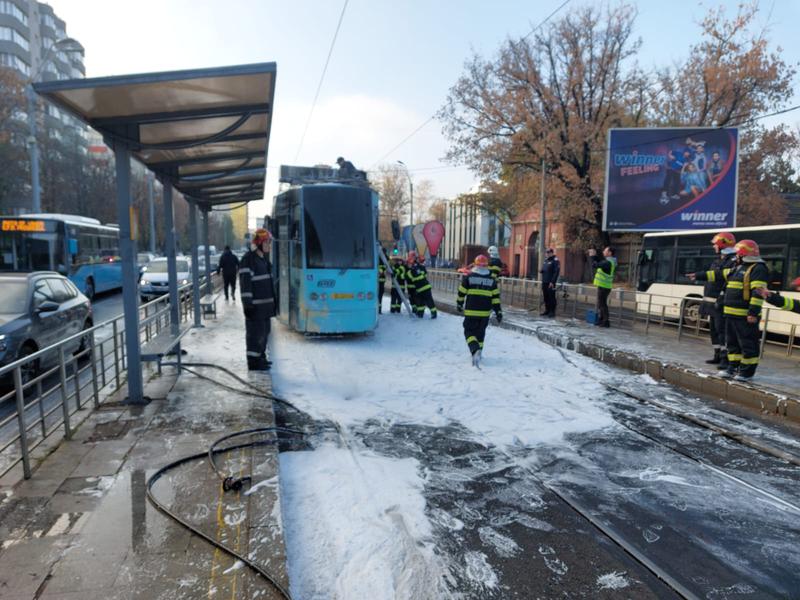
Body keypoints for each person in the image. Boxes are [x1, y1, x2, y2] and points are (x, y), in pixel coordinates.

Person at [689, 240, 769, 381]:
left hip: (745, 315)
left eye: (737, 254)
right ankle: (732, 368)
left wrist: (752, 313)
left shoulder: (758, 268)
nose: (735, 256)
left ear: (743, 255)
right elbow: (719, 274)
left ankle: (746, 373)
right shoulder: (738, 267)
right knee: (732, 344)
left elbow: (757, 293)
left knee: (747, 344)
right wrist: (699, 275)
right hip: (731, 314)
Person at [239, 229, 277, 371]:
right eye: (267, 242)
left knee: (264, 333)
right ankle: (253, 362)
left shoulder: (263, 260)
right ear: (259, 243)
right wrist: (247, 305)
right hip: (255, 308)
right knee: (255, 335)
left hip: (265, 309)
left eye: (269, 242)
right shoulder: (249, 260)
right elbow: (245, 284)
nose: (269, 245)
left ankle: (260, 357)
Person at [457, 254, 502, 367]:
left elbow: (462, 292)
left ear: (475, 264)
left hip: (471, 312)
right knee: (480, 333)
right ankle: (479, 353)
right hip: (485, 313)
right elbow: (495, 298)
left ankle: (474, 349)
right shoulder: (492, 280)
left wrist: (459, 304)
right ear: (486, 265)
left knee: (468, 331)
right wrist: (498, 312)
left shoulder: (469, 277)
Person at [699, 232, 737, 367]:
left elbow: (724, 280)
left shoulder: (732, 261)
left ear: (723, 245)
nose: (714, 246)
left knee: (722, 332)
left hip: (721, 303)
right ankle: (717, 355)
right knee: (714, 331)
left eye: (715, 244)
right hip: (712, 304)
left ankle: (725, 359)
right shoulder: (719, 259)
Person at [589, 247, 616, 328]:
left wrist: (592, 256)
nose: (603, 251)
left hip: (604, 286)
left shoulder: (608, 262)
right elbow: (600, 262)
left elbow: (595, 265)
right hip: (604, 286)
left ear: (610, 253)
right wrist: (595, 256)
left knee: (602, 304)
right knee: (601, 304)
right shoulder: (609, 261)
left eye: (605, 250)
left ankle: (605, 321)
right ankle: (601, 320)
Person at [406, 253, 437, 318]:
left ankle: (433, 313)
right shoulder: (417, 268)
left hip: (423, 288)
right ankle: (421, 314)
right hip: (421, 289)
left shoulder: (411, 271)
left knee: (428, 301)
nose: (409, 265)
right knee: (421, 303)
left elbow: (409, 277)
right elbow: (422, 274)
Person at [540, 248, 560, 317]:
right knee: (546, 297)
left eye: (548, 253)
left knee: (551, 297)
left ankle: (552, 312)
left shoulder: (555, 260)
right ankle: (547, 310)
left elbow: (556, 272)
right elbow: (545, 268)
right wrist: (542, 271)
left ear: (552, 253)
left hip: (550, 282)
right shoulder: (546, 260)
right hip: (544, 281)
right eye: (546, 253)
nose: (547, 254)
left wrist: (552, 282)